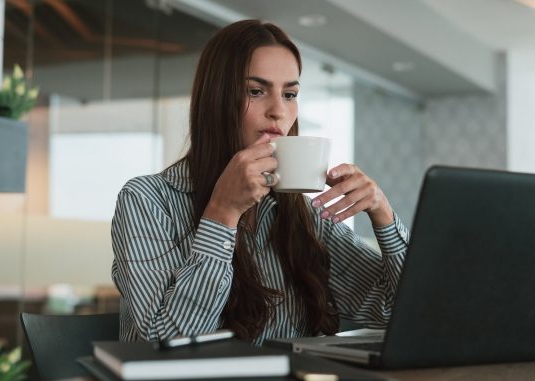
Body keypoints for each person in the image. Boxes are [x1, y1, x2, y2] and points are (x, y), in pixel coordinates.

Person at [111, 19, 409, 345]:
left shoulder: (305, 215)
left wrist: (383, 215)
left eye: (290, 94)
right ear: (217, 99)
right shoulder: (147, 200)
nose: (279, 111)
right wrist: (222, 213)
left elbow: (396, 311)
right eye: (256, 91)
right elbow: (165, 341)